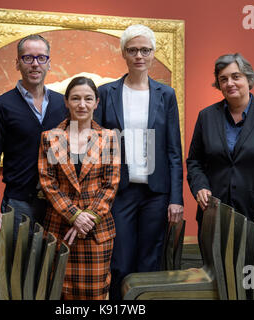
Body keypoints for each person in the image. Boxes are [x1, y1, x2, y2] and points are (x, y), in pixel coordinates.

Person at [94, 24, 184, 300]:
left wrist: (176, 198)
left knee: (150, 260)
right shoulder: (106, 92)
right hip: (119, 191)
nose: (139, 56)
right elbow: (96, 145)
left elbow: (173, 150)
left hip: (156, 192)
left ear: (154, 53)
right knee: (120, 261)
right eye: (132, 50)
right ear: (123, 53)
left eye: (145, 50)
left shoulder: (165, 94)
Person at [186, 53, 254, 239]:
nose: (230, 83)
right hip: (213, 216)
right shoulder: (206, 117)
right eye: (223, 79)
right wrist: (200, 186)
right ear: (218, 85)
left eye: (236, 77)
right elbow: (194, 161)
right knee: (215, 269)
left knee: (252, 269)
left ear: (248, 79)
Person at [38, 76, 120, 300]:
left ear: (96, 102)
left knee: (96, 295)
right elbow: (48, 183)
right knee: (58, 293)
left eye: (88, 99)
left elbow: (110, 185)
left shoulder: (110, 138)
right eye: (75, 98)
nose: (81, 104)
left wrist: (88, 217)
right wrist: (74, 216)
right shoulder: (49, 138)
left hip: (95, 232)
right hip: (60, 229)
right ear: (66, 102)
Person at [0, 35, 66, 241]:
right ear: (17, 63)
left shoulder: (62, 104)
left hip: (58, 202)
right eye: (27, 58)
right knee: (17, 268)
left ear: (49, 63)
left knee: (53, 268)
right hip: (19, 202)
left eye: (41, 58)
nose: (35, 64)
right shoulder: (2, 105)